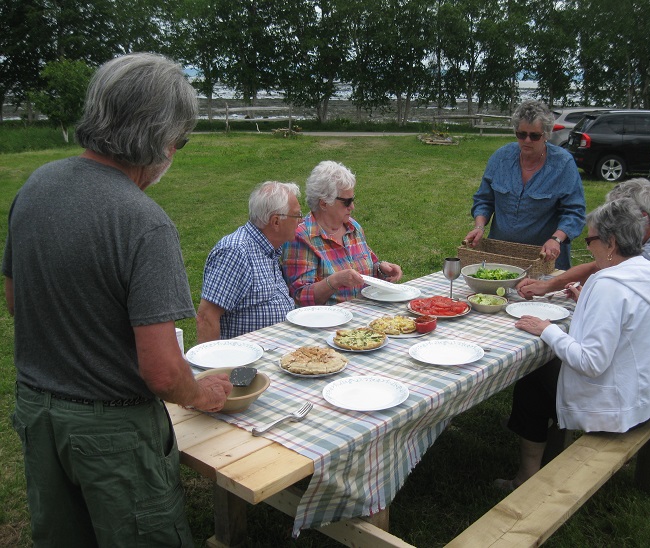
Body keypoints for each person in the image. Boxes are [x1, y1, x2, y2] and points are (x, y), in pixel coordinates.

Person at [2, 53, 232, 546]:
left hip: (39, 416)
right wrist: (201, 394)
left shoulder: (35, 186)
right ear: (161, 138)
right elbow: (163, 373)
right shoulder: (143, 222)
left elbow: (16, 303)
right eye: (181, 139)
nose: (177, 150)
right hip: (112, 432)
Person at [496, 199, 650, 492]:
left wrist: (546, 329)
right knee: (547, 371)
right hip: (649, 392)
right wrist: (587, 303)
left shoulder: (610, 285)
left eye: (590, 239)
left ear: (611, 243)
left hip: (619, 404)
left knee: (533, 377)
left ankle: (526, 479)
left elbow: (591, 363)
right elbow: (628, 327)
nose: (588, 247)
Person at [517, 178, 650, 391]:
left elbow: (591, 361)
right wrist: (556, 288)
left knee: (549, 365)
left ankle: (539, 420)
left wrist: (553, 317)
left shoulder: (647, 257)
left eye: (616, 214)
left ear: (640, 219)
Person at [464, 100, 586, 270]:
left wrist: (556, 239)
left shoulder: (563, 163)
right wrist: (479, 226)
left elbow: (575, 211)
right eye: (521, 134)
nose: (527, 140)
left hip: (544, 257)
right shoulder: (501, 157)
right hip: (500, 256)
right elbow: (484, 200)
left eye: (534, 136)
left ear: (546, 135)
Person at [281, 160, 403, 305]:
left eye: (353, 199)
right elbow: (300, 297)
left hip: (367, 312)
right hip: (331, 321)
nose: (352, 206)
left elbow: (368, 267)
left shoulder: (352, 227)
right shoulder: (302, 237)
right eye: (347, 202)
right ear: (324, 203)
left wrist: (382, 269)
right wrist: (335, 281)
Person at [196, 181, 300, 342]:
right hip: (243, 360)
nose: (301, 221)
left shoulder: (269, 248)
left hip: (277, 349)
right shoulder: (236, 252)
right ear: (276, 222)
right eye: (297, 215)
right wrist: (212, 367)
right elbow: (206, 317)